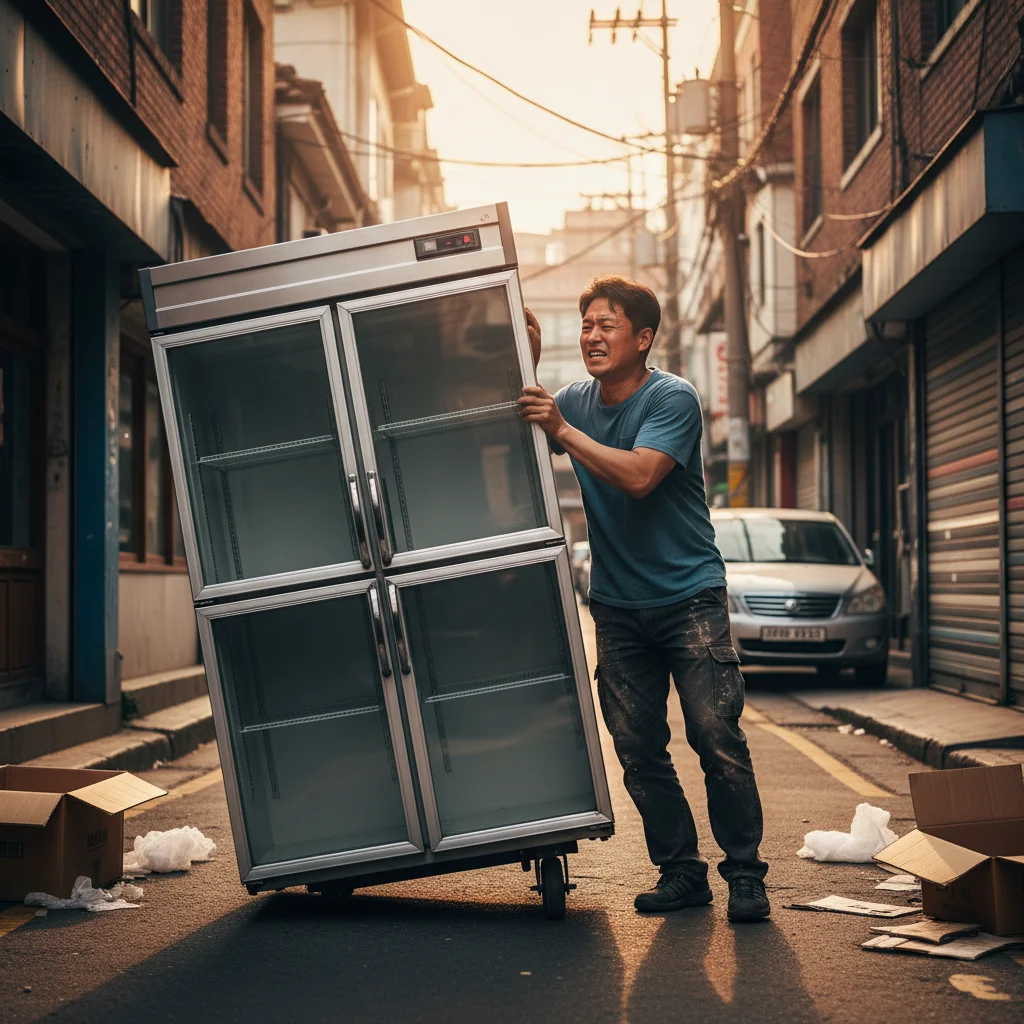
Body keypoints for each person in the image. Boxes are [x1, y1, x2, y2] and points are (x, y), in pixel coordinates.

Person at [518, 276, 770, 922]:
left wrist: (564, 432)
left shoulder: (674, 399)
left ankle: (745, 872)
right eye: (586, 326)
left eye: (606, 325)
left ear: (643, 337)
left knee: (715, 733)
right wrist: (523, 351)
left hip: (690, 601)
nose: (593, 336)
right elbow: (520, 409)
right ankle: (681, 870)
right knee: (635, 746)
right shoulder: (573, 399)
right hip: (619, 608)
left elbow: (638, 476)